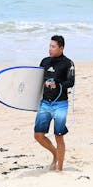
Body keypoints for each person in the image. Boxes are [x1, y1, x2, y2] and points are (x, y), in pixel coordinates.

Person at [33, 35, 75, 172]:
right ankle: (55, 154)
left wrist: (57, 84)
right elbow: (37, 80)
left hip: (60, 104)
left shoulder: (68, 63)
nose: (50, 49)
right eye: (49, 46)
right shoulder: (44, 61)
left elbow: (71, 82)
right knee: (38, 135)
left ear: (61, 48)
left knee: (58, 135)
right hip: (45, 103)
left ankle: (60, 169)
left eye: (53, 46)